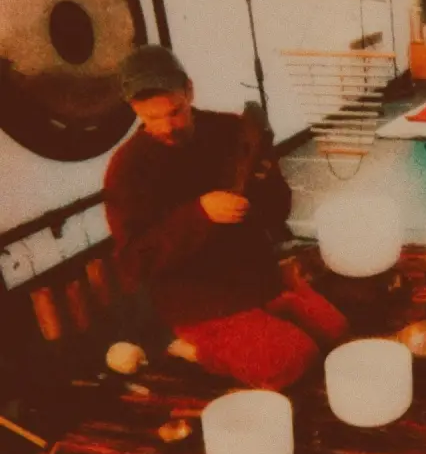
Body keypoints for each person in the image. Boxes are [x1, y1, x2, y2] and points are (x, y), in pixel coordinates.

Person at [104, 44, 349, 390]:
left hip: (256, 279)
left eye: (174, 111)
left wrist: (265, 182)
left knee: (335, 331)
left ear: (189, 90)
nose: (167, 126)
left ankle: (264, 328)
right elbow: (133, 263)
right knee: (295, 359)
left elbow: (278, 211)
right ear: (134, 108)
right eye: (152, 118)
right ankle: (185, 349)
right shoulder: (127, 168)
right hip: (198, 301)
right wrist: (199, 214)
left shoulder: (230, 130)